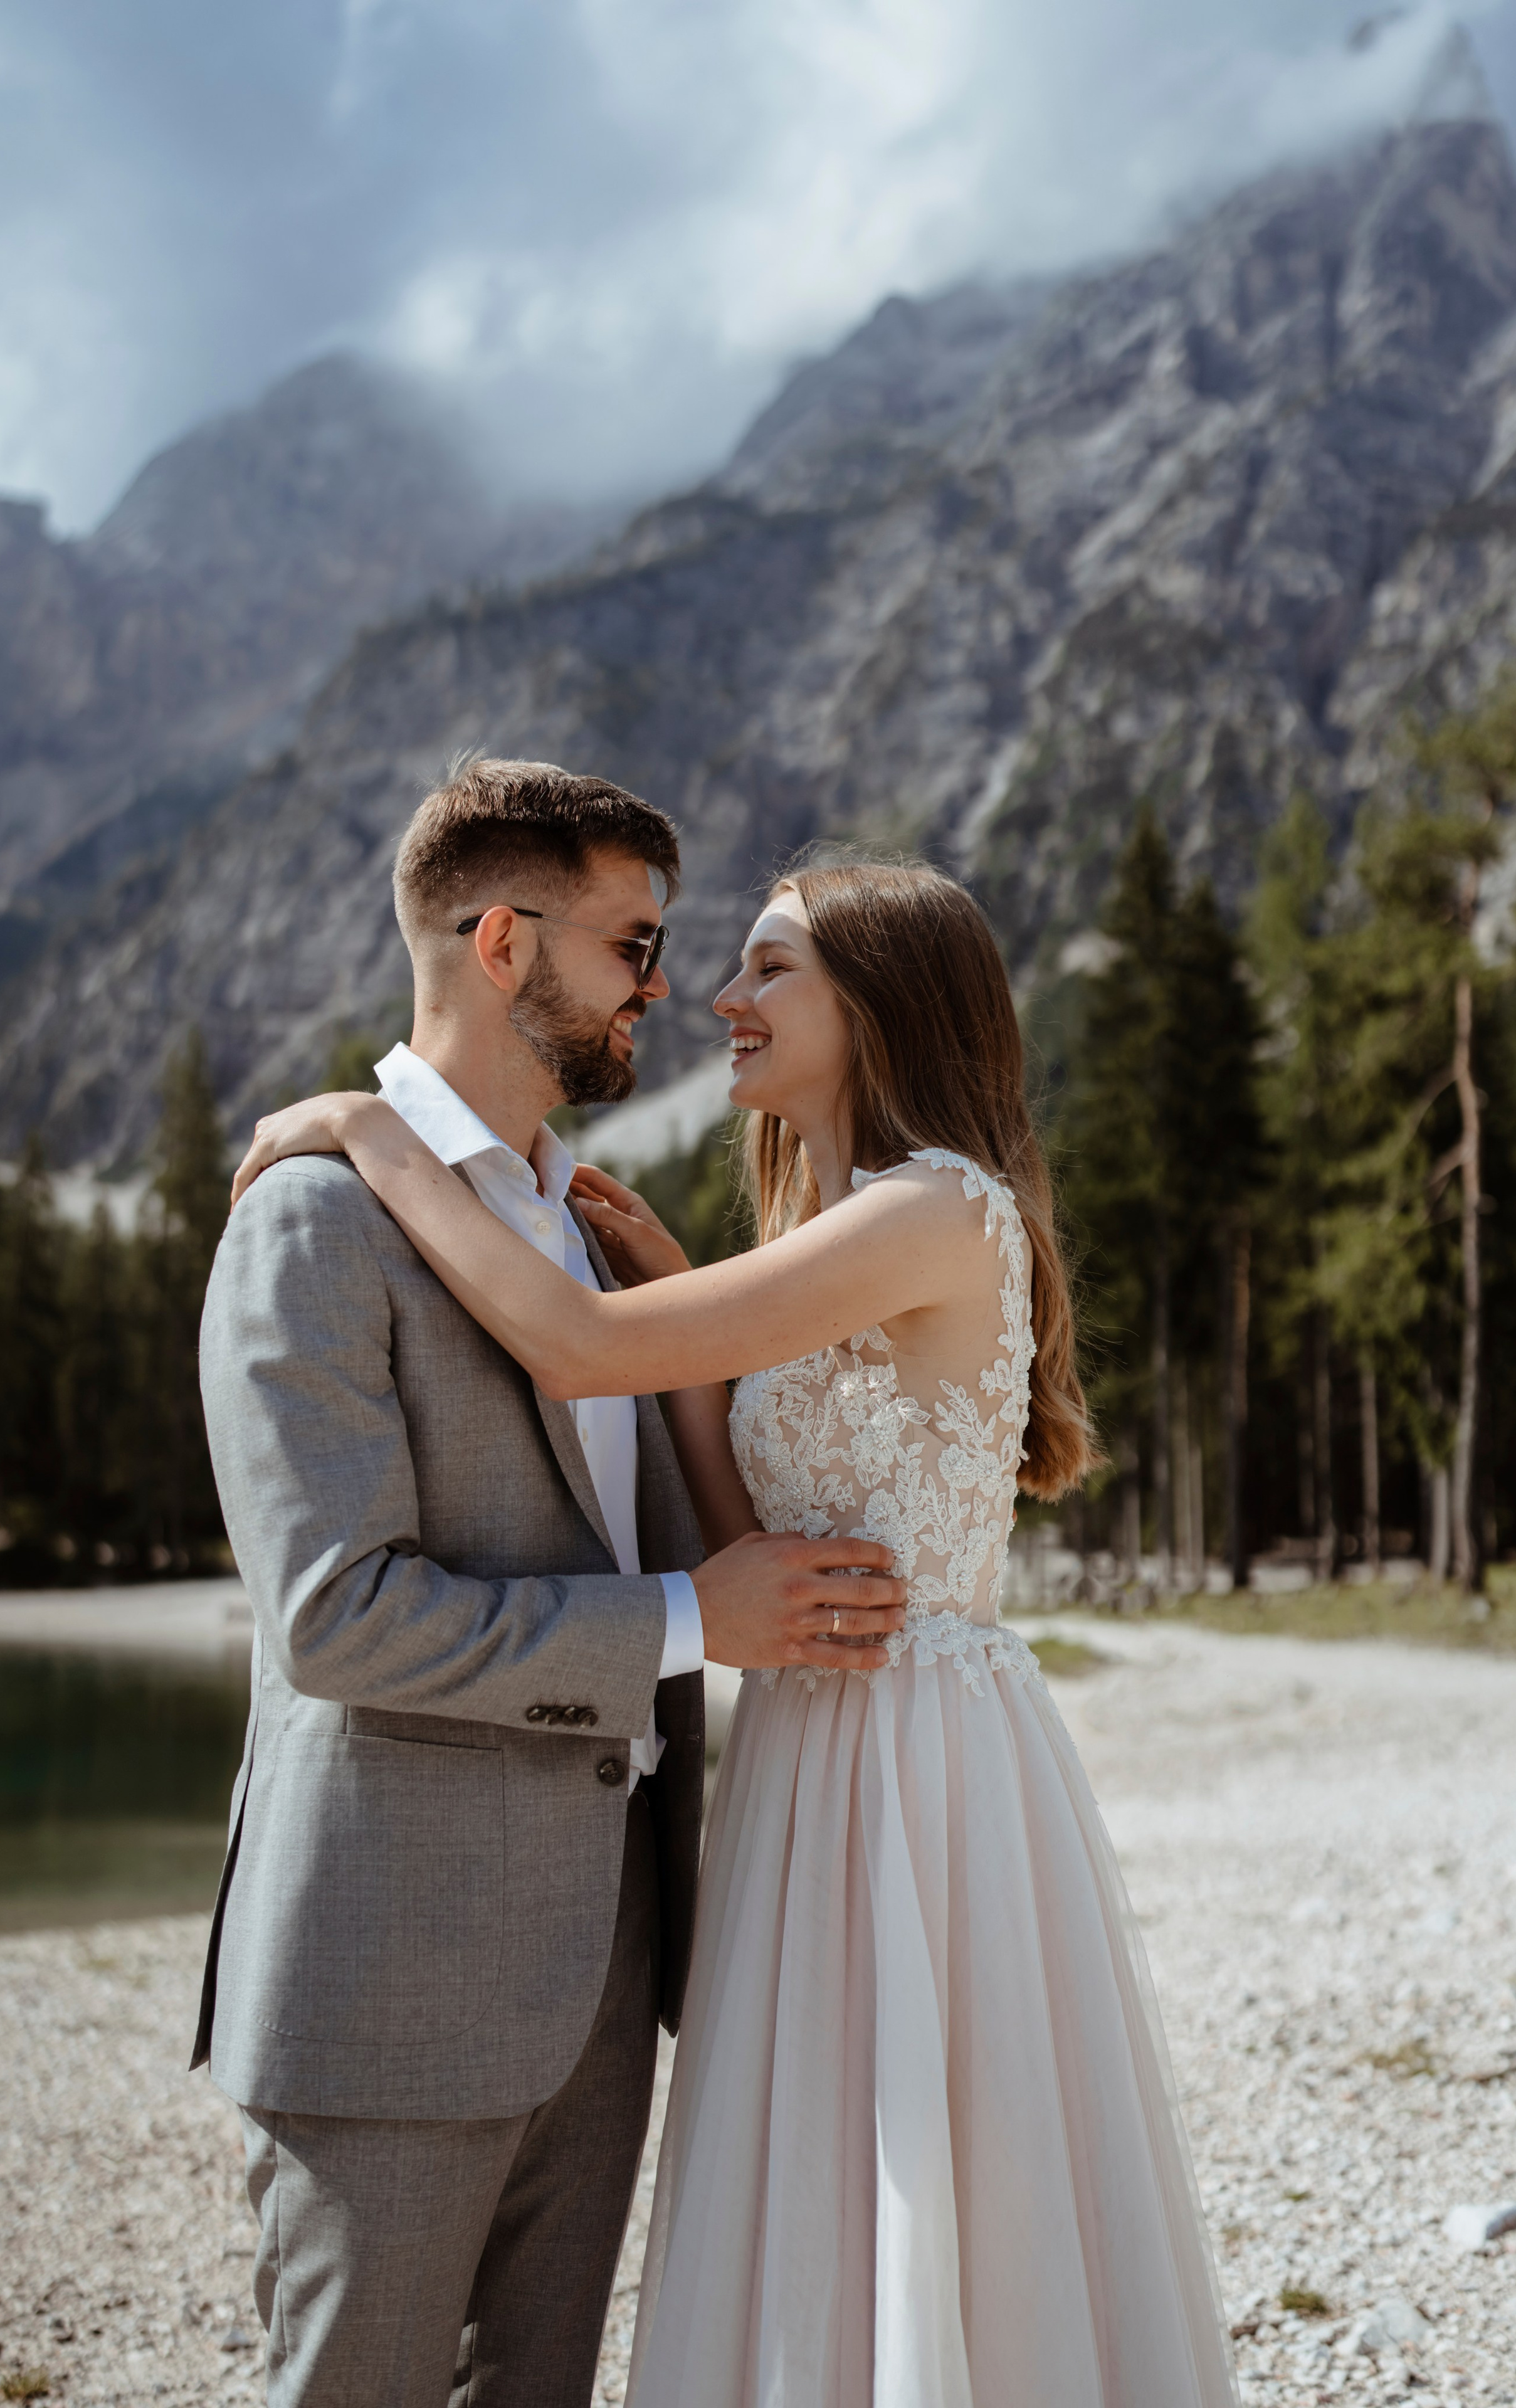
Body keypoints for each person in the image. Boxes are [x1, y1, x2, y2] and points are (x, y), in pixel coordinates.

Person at [234, 855, 1239, 2407]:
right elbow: (744, 1550)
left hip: (913, 1759)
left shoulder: (934, 1208)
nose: (719, 1000)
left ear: (877, 1001)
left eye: (768, 970)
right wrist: (692, 1328)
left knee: (925, 2181)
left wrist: (373, 1133)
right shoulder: (824, 1219)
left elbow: (573, 1353)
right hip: (803, 1746)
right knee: (812, 2181)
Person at [193, 760, 908, 2408]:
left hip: (606, 1973)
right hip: (393, 1982)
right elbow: (333, 1619)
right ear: (503, 944)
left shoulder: (580, 1244)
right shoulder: (313, 1221)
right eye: (631, 947)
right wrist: (687, 1622)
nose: (664, 991)